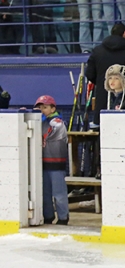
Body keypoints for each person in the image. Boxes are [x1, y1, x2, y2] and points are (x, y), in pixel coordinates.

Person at [34, 94, 69, 225]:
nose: (42, 110)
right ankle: (48, 215)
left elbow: (50, 134)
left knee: (59, 194)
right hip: (43, 163)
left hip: (57, 164)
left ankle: (63, 217)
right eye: (40, 108)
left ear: (53, 109)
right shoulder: (40, 122)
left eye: (45, 107)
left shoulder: (58, 123)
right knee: (45, 193)